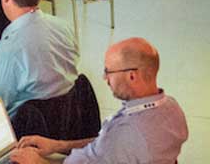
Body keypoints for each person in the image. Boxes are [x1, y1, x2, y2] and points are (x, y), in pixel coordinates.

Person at [9, 37, 186, 164]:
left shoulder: (128, 135)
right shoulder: (171, 107)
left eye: (109, 72)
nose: (104, 78)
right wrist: (57, 146)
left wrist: (39, 162)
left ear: (132, 76)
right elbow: (105, 143)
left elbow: (115, 144)